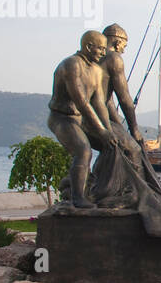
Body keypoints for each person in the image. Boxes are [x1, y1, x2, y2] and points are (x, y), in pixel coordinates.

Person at [47, 31, 114, 209]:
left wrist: (108, 132)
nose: (103, 53)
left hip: (79, 119)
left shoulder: (97, 71)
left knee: (110, 147)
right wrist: (101, 131)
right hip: (61, 118)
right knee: (83, 150)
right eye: (100, 48)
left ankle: (97, 189)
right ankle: (78, 198)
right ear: (88, 47)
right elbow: (82, 101)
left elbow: (99, 103)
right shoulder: (72, 64)